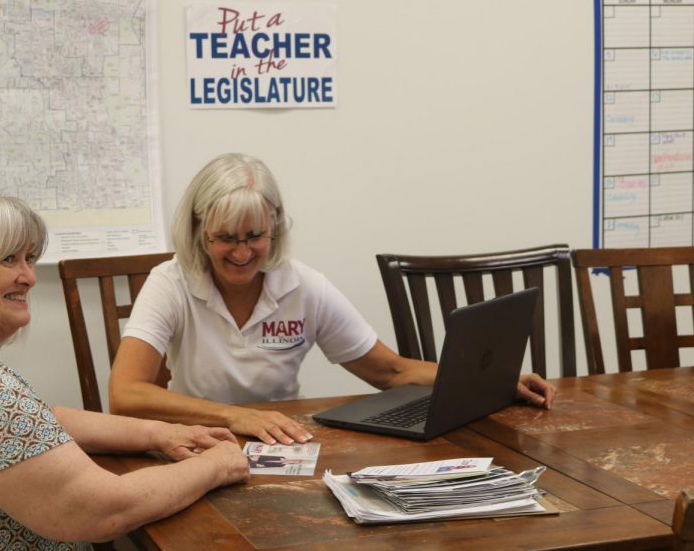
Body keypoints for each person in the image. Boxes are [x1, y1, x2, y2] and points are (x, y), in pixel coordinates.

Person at [0, 183, 248, 550]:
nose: (29, 277)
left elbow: (33, 423)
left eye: (29, 258)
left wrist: (159, 432)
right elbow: (102, 512)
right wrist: (216, 465)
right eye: (8, 259)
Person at [108, 153, 557, 446]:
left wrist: (497, 381)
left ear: (276, 229)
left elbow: (390, 370)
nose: (243, 253)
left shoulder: (304, 285)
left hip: (279, 442)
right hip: (198, 440)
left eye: (255, 236)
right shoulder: (171, 282)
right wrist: (234, 418)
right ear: (197, 231)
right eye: (225, 238)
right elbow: (125, 395)